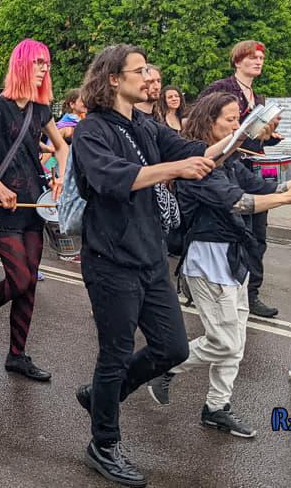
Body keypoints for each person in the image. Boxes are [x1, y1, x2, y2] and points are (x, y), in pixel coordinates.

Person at [70, 44, 247, 487]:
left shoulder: (144, 125)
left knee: (173, 348)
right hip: (110, 260)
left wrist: (244, 132)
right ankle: (103, 444)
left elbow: (197, 151)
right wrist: (173, 169)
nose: (148, 75)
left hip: (150, 256)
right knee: (114, 353)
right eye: (139, 69)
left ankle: (103, 396)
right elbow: (111, 178)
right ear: (114, 79)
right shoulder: (92, 130)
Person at [146, 92, 291, 438]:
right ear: (209, 123)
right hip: (208, 260)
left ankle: (216, 407)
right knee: (224, 342)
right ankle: (165, 366)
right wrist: (286, 198)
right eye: (231, 119)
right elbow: (239, 203)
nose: (238, 125)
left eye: (239, 119)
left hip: (235, 258)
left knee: (235, 343)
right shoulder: (197, 167)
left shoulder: (231, 161)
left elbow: (265, 187)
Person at [0, 39, 69, 382]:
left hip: (34, 205)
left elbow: (61, 147)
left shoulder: (41, 109)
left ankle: (17, 355)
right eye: (38, 62)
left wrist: (60, 177)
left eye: (47, 63)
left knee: (29, 284)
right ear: (21, 65)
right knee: (19, 279)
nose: (44, 69)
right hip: (4, 206)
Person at [199, 40, 281, 318]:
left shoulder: (259, 98)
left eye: (261, 58)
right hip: (227, 166)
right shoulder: (220, 89)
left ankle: (251, 292)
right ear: (237, 61)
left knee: (258, 234)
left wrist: (269, 136)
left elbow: (254, 138)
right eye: (252, 57)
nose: (258, 62)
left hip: (252, 166)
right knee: (233, 228)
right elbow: (202, 123)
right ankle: (214, 286)